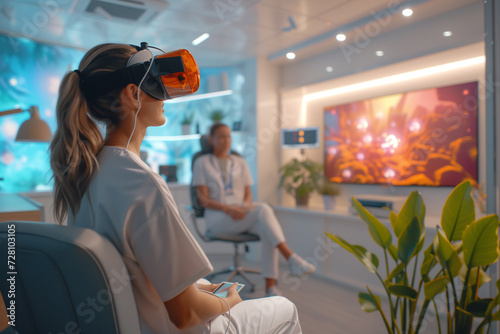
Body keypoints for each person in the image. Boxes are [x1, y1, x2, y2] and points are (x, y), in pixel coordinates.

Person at [49, 43, 302, 334]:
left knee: (207, 286)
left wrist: (202, 289)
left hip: (135, 319)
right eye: (155, 84)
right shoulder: (140, 181)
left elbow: (140, 273)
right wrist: (229, 300)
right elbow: (186, 314)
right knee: (285, 308)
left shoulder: (84, 173)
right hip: (174, 328)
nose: (165, 96)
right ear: (133, 94)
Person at [193, 123, 316, 297]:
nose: (226, 140)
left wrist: (245, 207)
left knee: (266, 229)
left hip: (241, 214)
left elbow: (248, 195)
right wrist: (229, 210)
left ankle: (270, 289)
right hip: (218, 218)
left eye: (228, 136)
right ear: (212, 140)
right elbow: (203, 199)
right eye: (221, 136)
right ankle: (290, 257)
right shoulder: (202, 162)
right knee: (264, 209)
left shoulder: (240, 162)